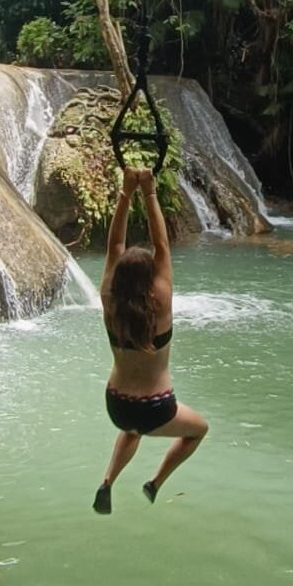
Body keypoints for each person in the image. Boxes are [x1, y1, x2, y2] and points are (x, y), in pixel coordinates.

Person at [92, 167, 208, 514]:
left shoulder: (110, 302)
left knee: (131, 429)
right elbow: (162, 245)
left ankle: (107, 482)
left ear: (120, 279)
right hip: (157, 407)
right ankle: (154, 482)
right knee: (199, 430)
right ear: (150, 279)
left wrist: (126, 192)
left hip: (117, 404)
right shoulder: (161, 302)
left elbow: (114, 245)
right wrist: (150, 192)